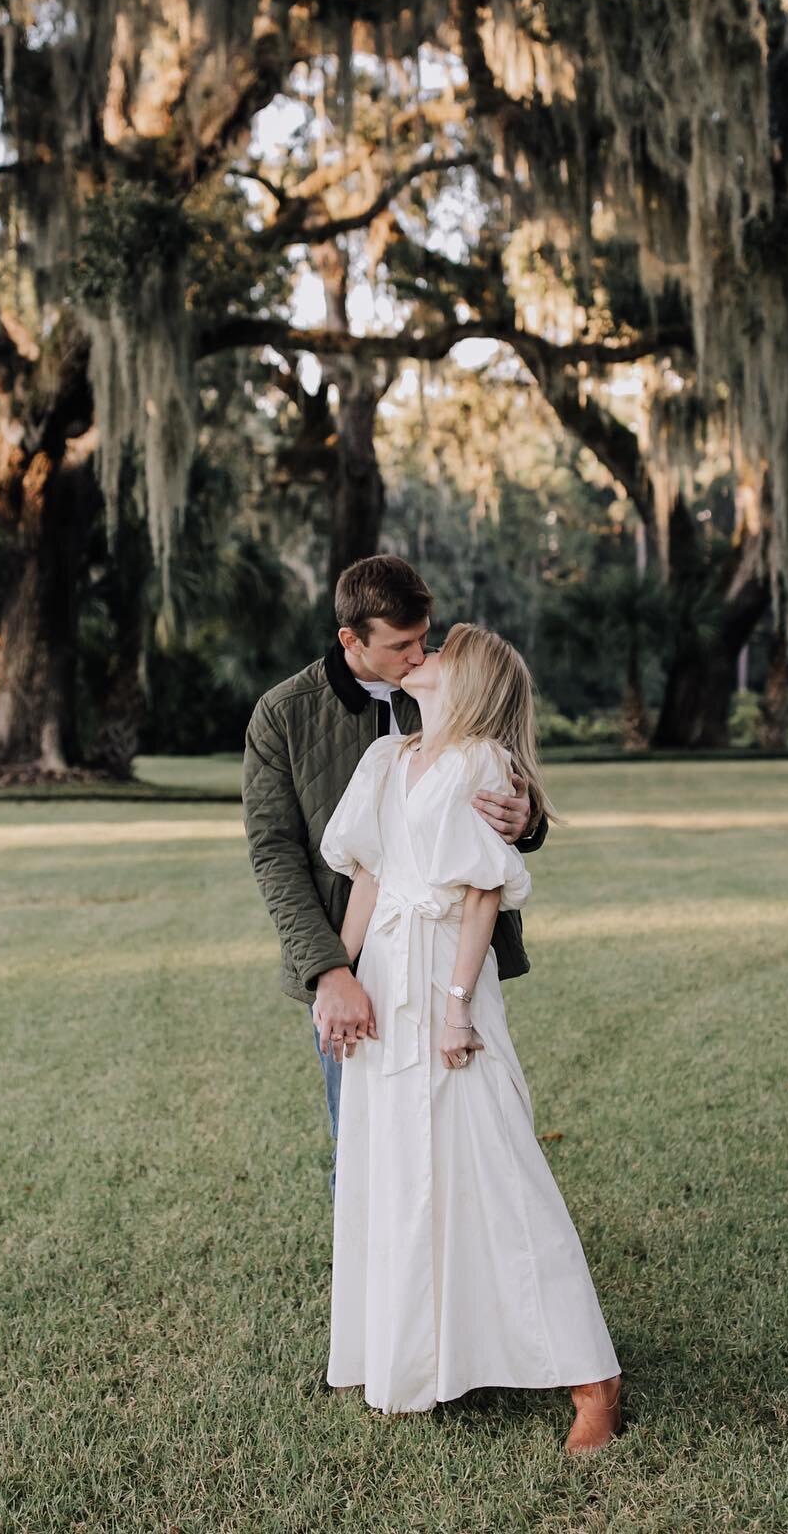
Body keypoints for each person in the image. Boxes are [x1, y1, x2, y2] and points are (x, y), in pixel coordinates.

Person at [318, 623, 622, 1452]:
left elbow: (485, 892)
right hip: (382, 978)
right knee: (399, 1165)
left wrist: (456, 1005)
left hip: (448, 979)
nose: (424, 659)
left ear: (474, 683)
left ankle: (594, 1378)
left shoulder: (485, 765)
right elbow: (369, 880)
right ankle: (415, 1357)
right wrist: (333, 979)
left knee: (496, 1159)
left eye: (441, 653)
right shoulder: (388, 758)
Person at [242, 555, 547, 1199]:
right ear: (351, 639)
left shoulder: (446, 691)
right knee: (361, 1132)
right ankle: (381, 1280)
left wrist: (527, 819)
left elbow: (503, 808)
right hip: (350, 958)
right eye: (401, 645)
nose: (418, 654)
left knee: (457, 1118)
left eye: (424, 638)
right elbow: (275, 856)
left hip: (446, 950)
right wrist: (331, 972)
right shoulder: (284, 714)